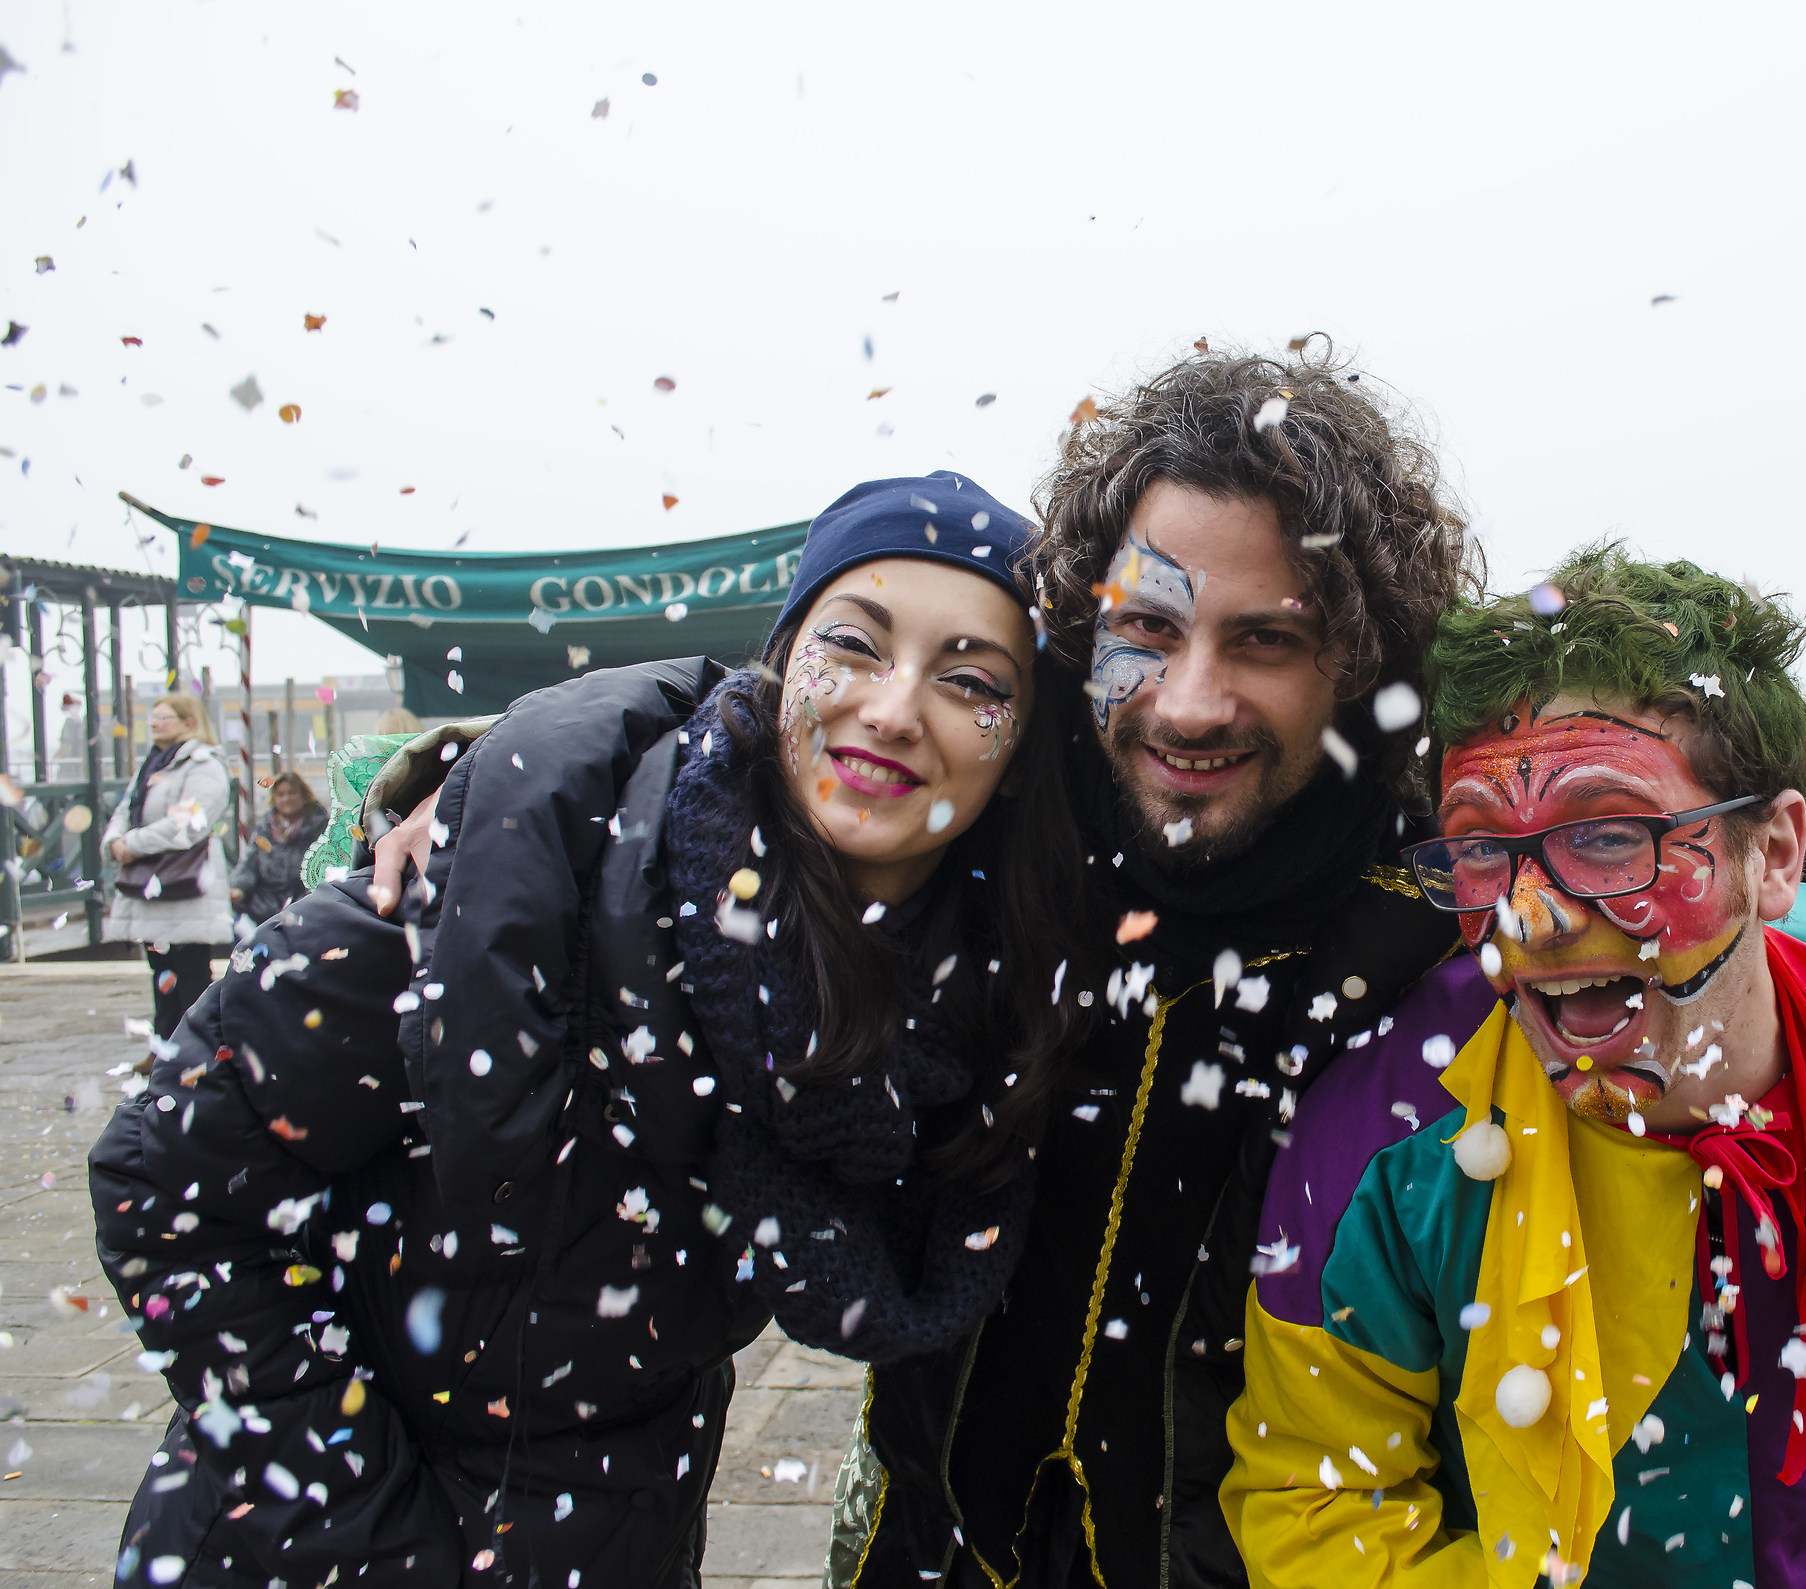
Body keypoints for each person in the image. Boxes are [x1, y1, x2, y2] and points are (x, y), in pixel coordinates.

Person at [828, 347, 1806, 1588]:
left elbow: (1652, 816)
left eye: (1264, 639)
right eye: (1147, 626)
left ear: (1358, 665)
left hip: (1217, 1546)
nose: (1190, 700)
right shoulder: (978, 822)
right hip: (942, 1535)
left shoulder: (1421, 885)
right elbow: (772, 751)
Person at [89, 473, 1101, 1588]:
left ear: (1020, 747)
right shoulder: (484, 894)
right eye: (853, 643)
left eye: (969, 678)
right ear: (776, 671)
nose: (896, 705)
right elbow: (163, 1181)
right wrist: (380, 1539)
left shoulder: (953, 1009)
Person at [1221, 546, 1806, 1587]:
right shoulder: (1379, 1136)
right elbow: (1315, 1499)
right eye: (1482, 847)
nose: (1528, 917)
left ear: (1774, 856)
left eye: (1606, 834)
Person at [103, 692, 232, 1038]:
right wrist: (114, 841)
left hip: (184, 881)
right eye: (153, 717)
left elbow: (188, 823)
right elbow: (126, 807)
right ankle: (163, 1046)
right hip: (151, 881)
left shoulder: (203, 765)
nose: (154, 723)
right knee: (160, 969)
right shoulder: (153, 764)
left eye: (163, 717)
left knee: (190, 969)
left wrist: (131, 844)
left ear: (189, 723)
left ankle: (198, 1047)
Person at [228, 769, 329, 927]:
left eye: (292, 793)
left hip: (304, 902)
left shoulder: (322, 825)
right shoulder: (266, 826)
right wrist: (239, 888)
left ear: (303, 795)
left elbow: (326, 870)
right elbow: (250, 862)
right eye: (280, 794)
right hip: (264, 902)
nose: (286, 799)